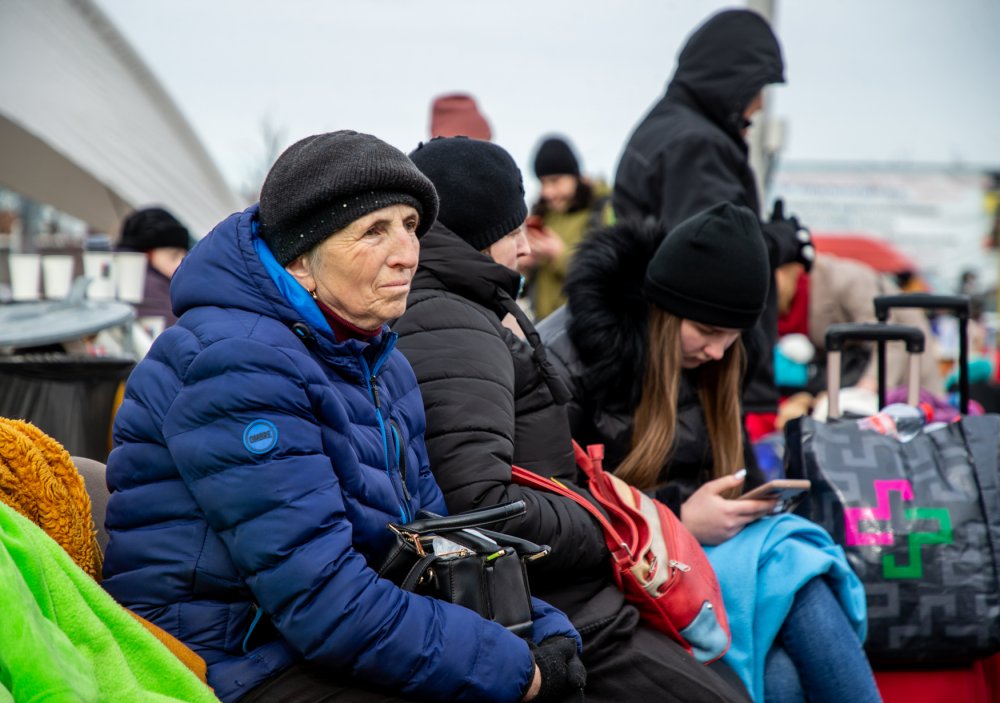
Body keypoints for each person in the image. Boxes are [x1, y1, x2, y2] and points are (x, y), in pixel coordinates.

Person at [101, 130, 586, 703]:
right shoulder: (238, 363)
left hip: (309, 634)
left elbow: (434, 545)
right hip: (224, 655)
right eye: (373, 231)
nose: (407, 252)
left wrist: (544, 628)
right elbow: (321, 600)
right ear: (301, 261)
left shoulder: (379, 361)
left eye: (410, 226)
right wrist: (514, 668)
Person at [393, 136, 752, 703]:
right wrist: (600, 522)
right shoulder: (452, 323)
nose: (526, 249)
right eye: (515, 232)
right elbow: (479, 503)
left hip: (573, 598)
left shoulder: (461, 312)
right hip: (570, 610)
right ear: (481, 237)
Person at [538, 202, 879, 703]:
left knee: (786, 652)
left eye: (734, 337)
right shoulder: (571, 357)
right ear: (665, 309)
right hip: (617, 579)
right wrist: (677, 519)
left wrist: (741, 503)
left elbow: (724, 465)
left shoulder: (714, 358)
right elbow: (557, 512)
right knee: (795, 571)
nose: (719, 352)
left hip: (691, 561)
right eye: (709, 332)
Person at [612, 8, 815, 439]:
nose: (758, 105)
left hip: (676, 363)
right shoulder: (697, 144)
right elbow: (714, 256)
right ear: (729, 82)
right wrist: (786, 240)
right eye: (755, 88)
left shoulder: (663, 128)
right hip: (704, 377)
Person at [774, 252, 944, 398]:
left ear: (787, 269)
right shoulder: (782, 302)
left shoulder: (845, 279)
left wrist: (868, 387)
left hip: (905, 364)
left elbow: (890, 339)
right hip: (851, 374)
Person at [523, 136, 614, 321]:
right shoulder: (543, 215)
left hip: (586, 327)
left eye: (555, 181)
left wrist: (559, 255)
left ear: (575, 176)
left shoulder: (604, 212)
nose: (547, 192)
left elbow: (609, 276)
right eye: (542, 183)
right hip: (542, 327)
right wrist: (523, 265)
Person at [116, 206, 191, 327]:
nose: (181, 264)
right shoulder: (148, 285)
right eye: (173, 256)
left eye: (185, 257)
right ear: (146, 254)